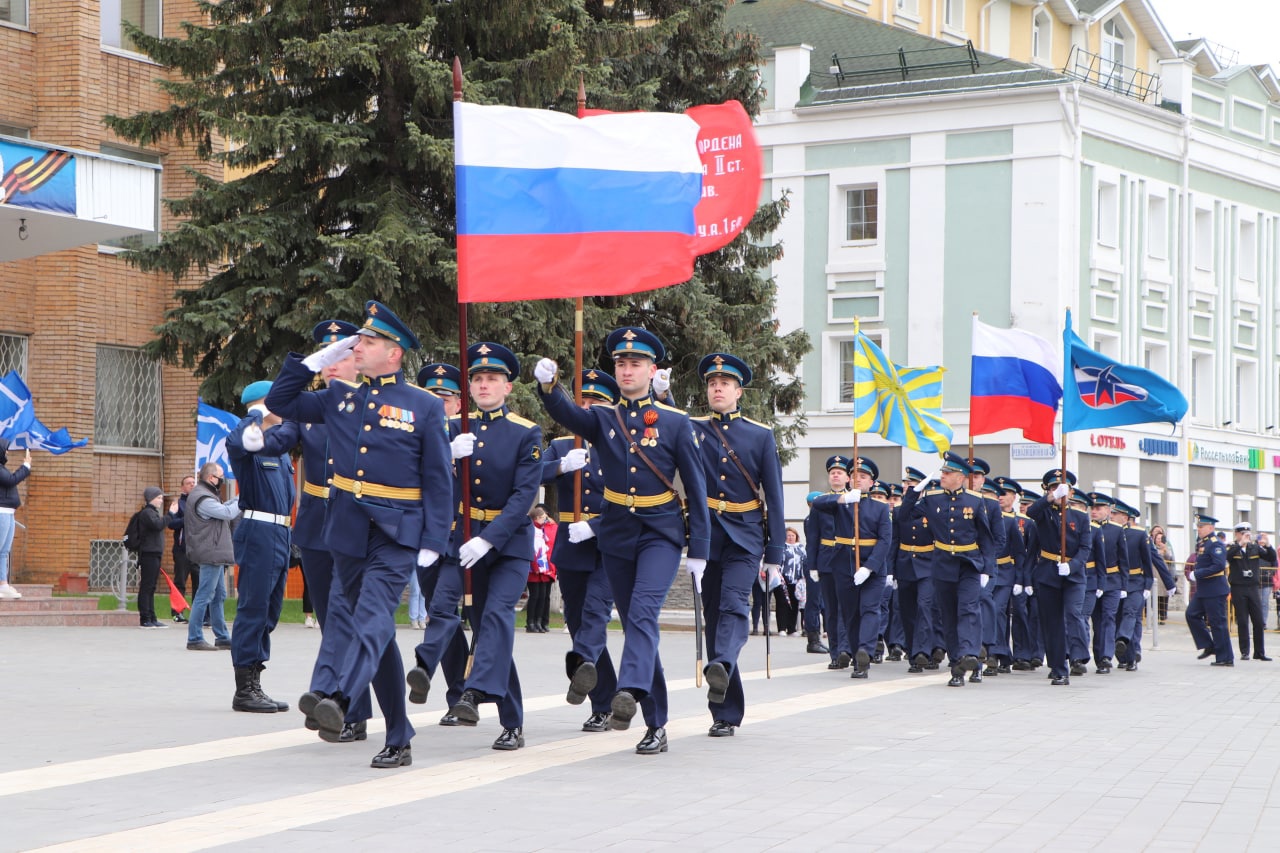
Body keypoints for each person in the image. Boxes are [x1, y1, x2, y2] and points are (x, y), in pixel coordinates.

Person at [267, 300, 452, 769]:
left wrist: (433, 543)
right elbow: (280, 403)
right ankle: (398, 733)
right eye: (359, 342)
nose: (358, 347)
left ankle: (341, 698)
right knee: (378, 636)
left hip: (396, 532)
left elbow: (437, 478)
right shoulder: (342, 397)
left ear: (395, 354)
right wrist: (313, 362)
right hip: (346, 531)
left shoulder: (424, 406)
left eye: (368, 342)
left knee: (370, 618)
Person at [534, 326, 710, 756]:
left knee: (644, 616)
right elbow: (569, 414)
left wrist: (700, 550)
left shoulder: (674, 421)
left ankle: (628, 690)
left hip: (660, 533)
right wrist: (548, 386)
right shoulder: (604, 418)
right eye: (621, 363)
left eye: (635, 363)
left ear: (652, 370)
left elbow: (696, 485)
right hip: (617, 533)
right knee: (637, 625)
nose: (627, 370)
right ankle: (657, 722)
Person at [435, 342, 542, 752]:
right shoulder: (454, 427)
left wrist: (488, 537)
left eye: (492, 379)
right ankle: (510, 720)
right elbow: (430, 478)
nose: (483, 385)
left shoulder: (525, 431)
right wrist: (446, 455)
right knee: (486, 629)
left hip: (509, 544)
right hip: (464, 538)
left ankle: (475, 695)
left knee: (497, 617)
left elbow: (523, 498)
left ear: (507, 387)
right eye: (477, 378)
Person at [685, 352, 785, 735]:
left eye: (724, 384)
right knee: (714, 619)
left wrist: (775, 553)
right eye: (712, 384)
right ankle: (725, 713)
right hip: (707, 535)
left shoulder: (759, 435)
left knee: (732, 608)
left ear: (738, 391)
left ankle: (723, 665)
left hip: (745, 535)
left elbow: (774, 496)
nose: (717, 388)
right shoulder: (693, 429)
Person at [293, 319, 378, 743]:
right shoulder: (313, 407)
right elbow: (282, 425)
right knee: (331, 619)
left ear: (357, 360)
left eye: (338, 355)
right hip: (314, 525)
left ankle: (344, 704)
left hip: (355, 523)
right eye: (324, 357)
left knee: (353, 617)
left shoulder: (371, 403)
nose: (330, 364)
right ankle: (340, 705)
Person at [541, 368, 621, 732]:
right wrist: (559, 465)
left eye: (596, 402)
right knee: (577, 621)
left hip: (608, 542)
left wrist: (595, 525)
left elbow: (631, 502)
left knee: (595, 614)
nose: (588, 408)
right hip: (571, 544)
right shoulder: (562, 445)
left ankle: (585, 674)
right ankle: (603, 698)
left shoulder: (619, 443)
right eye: (582, 402)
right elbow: (530, 473)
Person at [225, 380, 298, 713]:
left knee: (269, 612)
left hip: (280, 535)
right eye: (276, 402)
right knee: (253, 610)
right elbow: (234, 441)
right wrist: (254, 415)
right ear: (261, 405)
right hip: (259, 532)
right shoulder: (249, 443)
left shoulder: (277, 448)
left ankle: (257, 679)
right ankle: (244, 689)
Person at [900, 452, 994, 686]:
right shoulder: (932, 499)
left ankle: (971, 654)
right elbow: (903, 516)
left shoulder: (974, 500)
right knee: (949, 617)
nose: (942, 475)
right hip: (942, 565)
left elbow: (986, 537)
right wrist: (914, 493)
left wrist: (987, 569)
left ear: (960, 477)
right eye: (942, 472)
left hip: (969, 564)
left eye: (947, 473)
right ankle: (957, 666)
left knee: (969, 609)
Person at [810, 457, 893, 680]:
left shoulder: (880, 508)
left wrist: (869, 568)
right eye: (854, 476)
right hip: (844, 565)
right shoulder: (841, 503)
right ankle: (858, 657)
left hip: (872, 568)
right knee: (851, 615)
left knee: (869, 609)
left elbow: (885, 541)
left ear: (871, 483)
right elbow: (816, 503)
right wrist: (842, 498)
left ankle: (865, 650)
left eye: (863, 477)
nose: (858, 480)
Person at [1026, 469, 1093, 686]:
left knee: (1074, 613)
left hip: (1073, 575)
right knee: (1052, 623)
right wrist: (1050, 498)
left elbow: (1085, 548)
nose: (1059, 492)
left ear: (1071, 493)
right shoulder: (1044, 513)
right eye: (1053, 488)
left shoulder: (1081, 517)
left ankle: (1078, 655)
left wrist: (1072, 566)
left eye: (1063, 489)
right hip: (1048, 572)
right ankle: (1058, 668)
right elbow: (1031, 511)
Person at [184, 462, 238, 652]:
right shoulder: (202, 498)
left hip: (214, 551)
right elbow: (227, 513)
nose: (222, 480)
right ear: (210, 478)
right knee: (204, 595)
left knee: (219, 595)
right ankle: (195, 637)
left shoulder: (206, 494)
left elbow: (224, 506)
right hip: (210, 552)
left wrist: (240, 497)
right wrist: (243, 501)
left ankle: (222, 637)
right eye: (220, 476)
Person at [896, 467, 942, 674]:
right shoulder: (900, 509)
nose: (908, 486)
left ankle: (922, 652)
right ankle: (913, 651)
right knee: (907, 611)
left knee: (925, 606)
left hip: (928, 564)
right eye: (906, 484)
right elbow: (903, 517)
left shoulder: (931, 506)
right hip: (905, 563)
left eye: (912, 484)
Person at [811, 456, 852, 668]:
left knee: (849, 608)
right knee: (832, 610)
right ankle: (836, 653)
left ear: (848, 478)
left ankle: (848, 648)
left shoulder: (856, 499)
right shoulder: (821, 501)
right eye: (832, 472)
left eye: (840, 472)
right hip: (827, 560)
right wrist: (812, 565)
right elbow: (813, 536)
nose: (835, 475)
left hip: (849, 559)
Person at [1186, 514, 1232, 666]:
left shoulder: (1215, 543)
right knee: (1191, 614)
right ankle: (1209, 645)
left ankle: (1225, 657)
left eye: (1201, 527)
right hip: (1204, 589)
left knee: (1218, 623)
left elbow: (1219, 565)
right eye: (1198, 527)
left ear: (1211, 528)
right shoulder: (1204, 542)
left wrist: (1197, 574)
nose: (1198, 529)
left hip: (1215, 589)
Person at [1226, 522, 1268, 661]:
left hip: (1253, 587)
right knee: (1243, 620)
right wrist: (1240, 545)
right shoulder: (1232, 547)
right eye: (1243, 534)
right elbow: (1227, 557)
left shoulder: (1254, 548)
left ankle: (1259, 652)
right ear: (1237, 534)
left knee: (1258, 620)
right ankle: (1245, 651)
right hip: (1238, 587)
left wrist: (1267, 545)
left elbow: (1271, 557)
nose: (1246, 537)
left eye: (1247, 534)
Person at [0, 438, 31, 599]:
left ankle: (3, 584)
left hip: (9, 513)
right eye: (5, 449)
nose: (7, 452)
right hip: (1, 513)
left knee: (4, 551)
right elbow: (12, 480)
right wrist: (25, 466)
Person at [135, 486, 169, 628]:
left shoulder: (152, 512)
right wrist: (171, 515)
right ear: (151, 499)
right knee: (147, 586)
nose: (161, 501)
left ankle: (152, 616)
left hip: (154, 553)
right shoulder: (147, 513)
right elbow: (157, 525)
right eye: (159, 498)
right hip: (149, 553)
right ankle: (145, 618)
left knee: (152, 586)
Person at [166, 475, 196, 622]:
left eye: (193, 482)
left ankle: (198, 615)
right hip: (182, 548)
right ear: (182, 487)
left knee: (199, 582)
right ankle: (177, 612)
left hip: (198, 549)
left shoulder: (200, 502)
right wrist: (186, 520)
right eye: (188, 483)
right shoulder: (178, 503)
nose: (192, 485)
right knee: (180, 581)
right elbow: (171, 523)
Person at [527, 504, 557, 633]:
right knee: (535, 596)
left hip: (543, 567)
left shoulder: (542, 530)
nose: (546, 519)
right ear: (537, 518)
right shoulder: (532, 529)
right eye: (543, 517)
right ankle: (531, 622)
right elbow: (532, 550)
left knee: (543, 596)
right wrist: (535, 566)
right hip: (534, 568)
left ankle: (539, 621)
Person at [778, 528, 804, 636]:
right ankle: (782, 628)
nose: (791, 537)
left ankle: (792, 629)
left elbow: (804, 562)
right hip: (783, 580)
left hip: (796, 581)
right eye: (788, 535)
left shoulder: (801, 548)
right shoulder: (782, 547)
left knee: (794, 604)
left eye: (793, 535)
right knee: (783, 604)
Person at [1151, 525, 1175, 623]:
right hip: (1154, 573)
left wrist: (1165, 550)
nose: (1159, 540)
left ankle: (1163, 616)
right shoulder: (1152, 547)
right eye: (1157, 538)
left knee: (1163, 597)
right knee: (1154, 596)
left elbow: (1170, 559)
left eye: (1161, 538)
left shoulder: (1167, 548)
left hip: (1163, 575)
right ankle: (1155, 615)